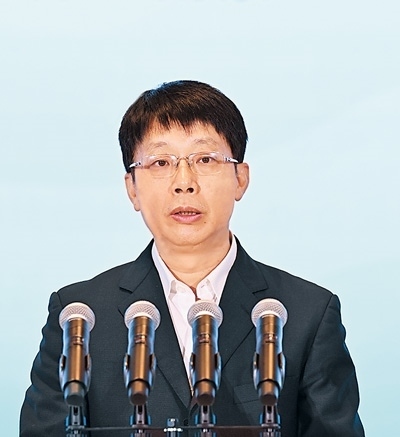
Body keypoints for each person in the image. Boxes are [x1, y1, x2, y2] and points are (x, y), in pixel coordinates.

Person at [20, 80, 365, 437]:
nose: (184, 182)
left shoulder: (306, 314)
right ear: (132, 188)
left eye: (205, 159)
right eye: (160, 162)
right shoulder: (79, 319)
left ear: (240, 179)